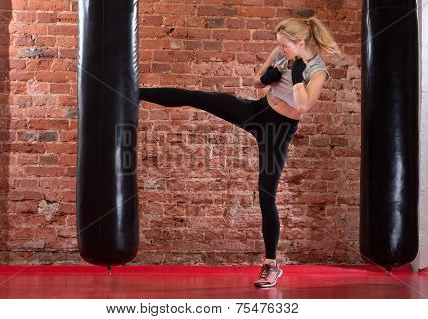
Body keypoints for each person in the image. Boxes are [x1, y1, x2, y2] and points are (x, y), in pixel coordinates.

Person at [139, 16, 341, 288]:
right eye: (278, 45)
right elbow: (257, 80)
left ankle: (271, 265)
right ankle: (135, 93)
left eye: (284, 46)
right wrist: (269, 77)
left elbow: (304, 106)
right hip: (258, 111)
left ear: (300, 43)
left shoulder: (317, 70)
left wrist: (295, 78)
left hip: (279, 130)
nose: (280, 50)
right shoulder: (280, 53)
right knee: (200, 98)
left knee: (266, 195)